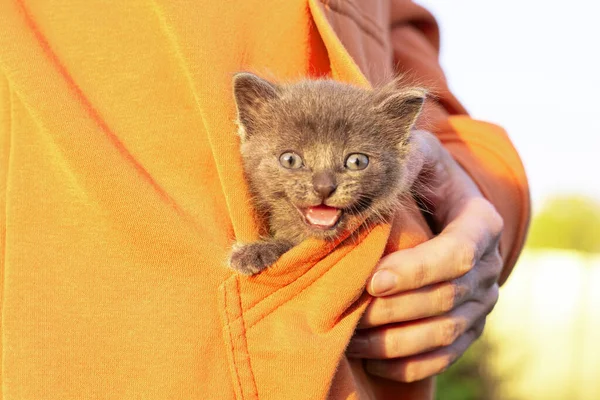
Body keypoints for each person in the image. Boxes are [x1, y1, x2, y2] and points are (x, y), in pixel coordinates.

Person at [0, 0, 529, 399]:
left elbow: (404, 44)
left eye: (349, 166)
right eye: (297, 163)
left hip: (352, 369)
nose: (323, 186)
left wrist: (470, 192)